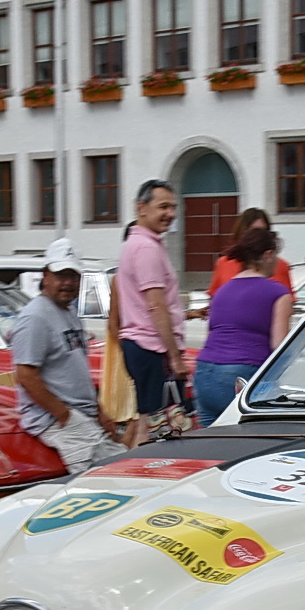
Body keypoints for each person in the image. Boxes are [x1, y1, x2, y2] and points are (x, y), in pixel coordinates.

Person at [12, 249, 129, 472]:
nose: (68, 283)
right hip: (58, 421)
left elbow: (76, 371)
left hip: (83, 416)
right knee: (111, 477)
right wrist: (65, 416)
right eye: (61, 276)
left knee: (124, 468)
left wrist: (99, 412)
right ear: (45, 276)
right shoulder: (34, 317)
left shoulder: (68, 312)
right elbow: (26, 375)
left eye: (73, 277)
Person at [111, 179, 187, 446]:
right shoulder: (145, 248)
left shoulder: (138, 244)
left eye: (174, 207)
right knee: (163, 429)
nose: (170, 213)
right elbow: (156, 306)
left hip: (142, 346)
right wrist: (175, 357)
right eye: (163, 206)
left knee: (148, 421)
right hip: (152, 348)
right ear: (141, 208)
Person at [193, 228, 293, 426]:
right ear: (268, 255)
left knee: (211, 446)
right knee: (253, 441)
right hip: (241, 376)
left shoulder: (222, 291)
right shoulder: (279, 293)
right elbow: (279, 347)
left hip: (204, 374)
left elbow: (213, 334)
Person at [210, 208, 293, 296]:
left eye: (262, 231)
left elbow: (287, 302)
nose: (257, 236)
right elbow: (215, 299)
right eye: (252, 231)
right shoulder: (224, 263)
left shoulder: (280, 265)